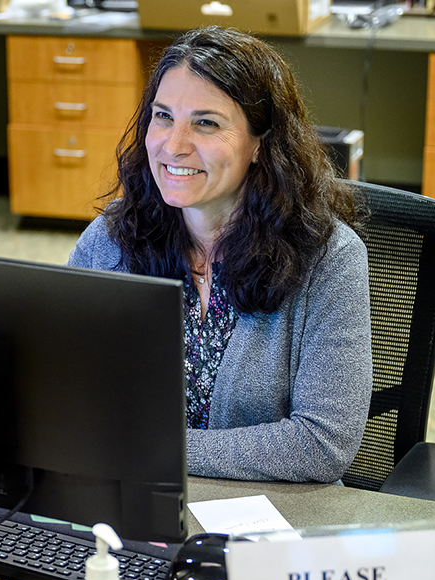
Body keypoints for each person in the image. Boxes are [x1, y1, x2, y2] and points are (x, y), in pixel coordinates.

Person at [68, 26, 372, 484]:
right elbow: (62, 382)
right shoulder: (114, 238)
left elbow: (321, 444)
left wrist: (157, 447)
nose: (173, 145)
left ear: (260, 144)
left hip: (277, 519)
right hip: (138, 501)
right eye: (163, 116)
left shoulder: (329, 259)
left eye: (206, 123)